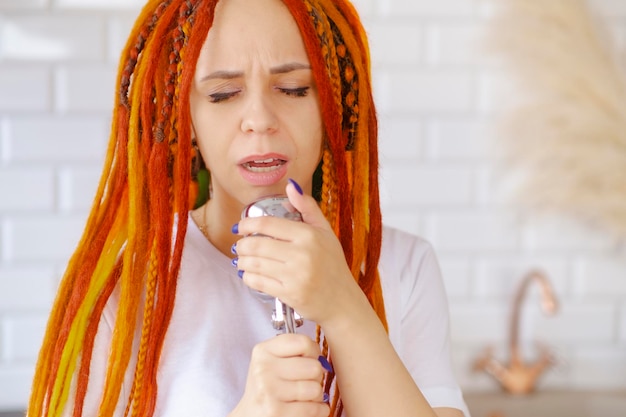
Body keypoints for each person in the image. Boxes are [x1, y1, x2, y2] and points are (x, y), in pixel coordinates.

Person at [27, 0, 470, 416]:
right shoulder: (126, 292)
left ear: (333, 106)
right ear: (187, 118)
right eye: (222, 94)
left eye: (294, 89)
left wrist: (344, 308)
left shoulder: (405, 265)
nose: (259, 116)